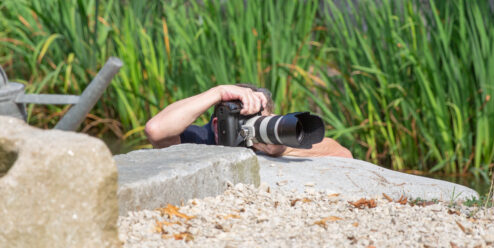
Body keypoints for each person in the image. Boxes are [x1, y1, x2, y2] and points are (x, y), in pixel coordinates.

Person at [144, 83, 352, 158]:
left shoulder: (271, 140)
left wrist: (284, 148)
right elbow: (156, 129)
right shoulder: (199, 139)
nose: (256, 127)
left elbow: (343, 154)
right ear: (218, 126)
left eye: (260, 119)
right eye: (246, 120)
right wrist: (219, 92)